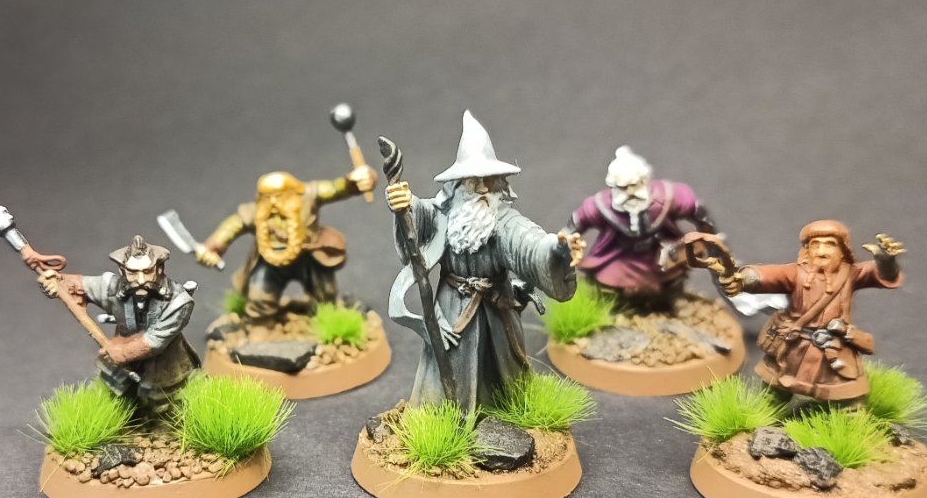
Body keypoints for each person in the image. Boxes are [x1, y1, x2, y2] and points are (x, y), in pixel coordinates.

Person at [385, 111, 585, 413]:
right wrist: (405, 205)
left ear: (498, 183)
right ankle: (443, 417)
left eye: (487, 180)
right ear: (457, 184)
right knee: (445, 380)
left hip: (497, 310)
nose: (481, 188)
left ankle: (506, 410)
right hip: (451, 311)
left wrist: (558, 249)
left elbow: (531, 243)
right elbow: (418, 218)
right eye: (472, 181)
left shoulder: (505, 221)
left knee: (506, 377)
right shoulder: (443, 214)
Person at [714, 220, 904, 402]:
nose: (821, 252)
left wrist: (886, 262)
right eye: (815, 245)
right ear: (807, 250)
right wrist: (741, 279)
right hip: (795, 345)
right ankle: (770, 405)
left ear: (842, 250)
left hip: (833, 346)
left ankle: (849, 415)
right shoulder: (796, 273)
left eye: (830, 245)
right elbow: (767, 275)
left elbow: (880, 274)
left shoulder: (851, 274)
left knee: (847, 397)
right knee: (775, 389)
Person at [39, 235, 200, 417]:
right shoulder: (112, 287)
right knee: (115, 392)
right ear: (122, 271)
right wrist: (57, 282)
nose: (140, 280)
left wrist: (122, 353)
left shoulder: (179, 301)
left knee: (165, 402)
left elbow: (155, 341)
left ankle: (162, 424)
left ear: (159, 268)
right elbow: (80, 285)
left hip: (165, 360)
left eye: (147, 271)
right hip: (120, 353)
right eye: (132, 272)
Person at [194, 165, 376, 321]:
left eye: (280, 195)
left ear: (295, 191)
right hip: (269, 263)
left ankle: (326, 324)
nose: (273, 202)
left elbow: (335, 188)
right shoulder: (256, 211)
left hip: (309, 258)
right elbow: (233, 225)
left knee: (325, 297)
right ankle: (260, 329)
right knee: (259, 297)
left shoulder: (309, 195)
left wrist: (355, 181)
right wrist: (211, 248)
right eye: (267, 197)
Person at [568, 146, 715, 310]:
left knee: (673, 276)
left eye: (635, 185)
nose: (630, 192)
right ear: (613, 186)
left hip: (659, 253)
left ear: (644, 180)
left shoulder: (667, 196)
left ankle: (672, 301)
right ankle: (613, 309)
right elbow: (577, 222)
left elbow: (695, 209)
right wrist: (567, 241)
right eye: (624, 187)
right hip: (621, 256)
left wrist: (706, 233)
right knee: (607, 281)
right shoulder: (600, 206)